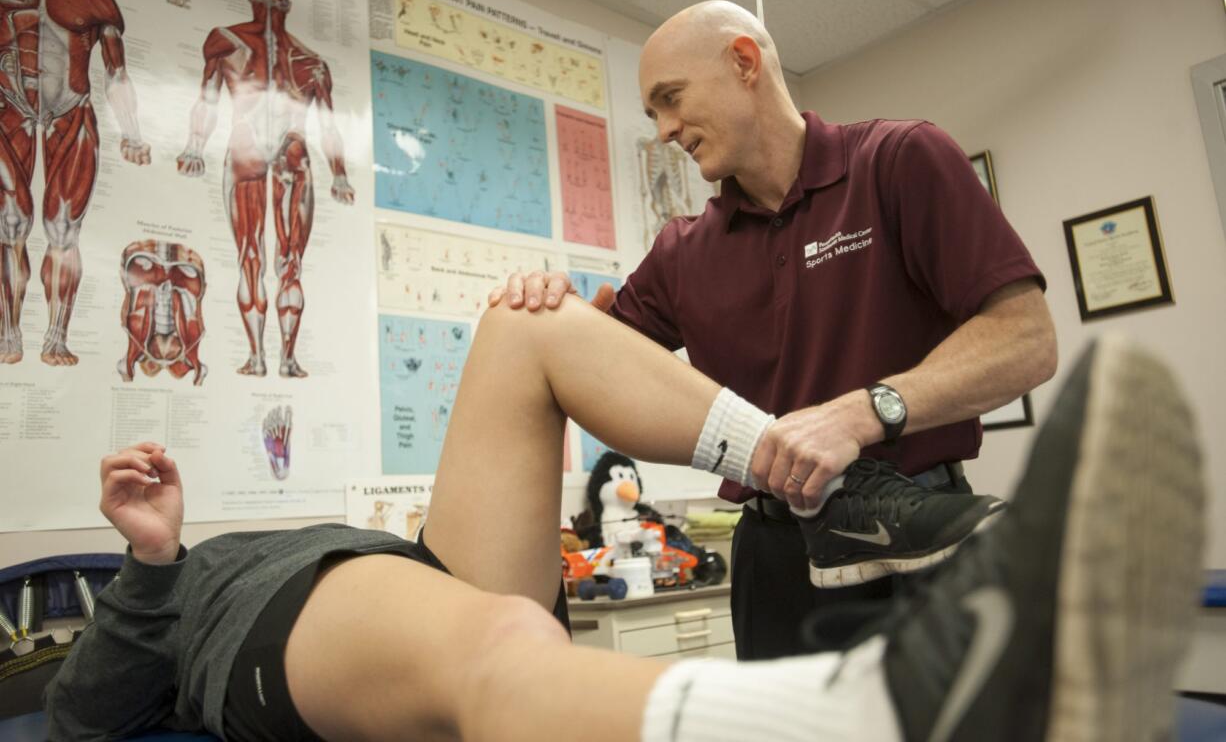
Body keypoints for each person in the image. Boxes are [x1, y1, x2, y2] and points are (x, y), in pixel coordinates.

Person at [43, 297, 1203, 742]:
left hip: (404, 574)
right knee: (510, 645)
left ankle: (835, 493)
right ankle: (873, 710)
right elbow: (79, 717)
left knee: (523, 328)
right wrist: (151, 561)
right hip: (261, 635)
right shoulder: (172, 593)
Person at [490, 0, 1058, 659]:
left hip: (914, 535)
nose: (666, 130)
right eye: (653, 115)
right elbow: (586, 373)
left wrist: (860, 415)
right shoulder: (682, 252)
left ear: (743, 61)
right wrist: (550, 314)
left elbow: (1026, 338)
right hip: (772, 556)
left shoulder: (897, 161)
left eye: (670, 100)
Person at [176, 0, 355, 379]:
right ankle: (268, 357)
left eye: (272, 3)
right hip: (270, 153)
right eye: (263, 0)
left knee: (270, 261)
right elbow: (208, 99)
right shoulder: (246, 46)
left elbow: (329, 125)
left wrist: (341, 174)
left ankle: (272, 358)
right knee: (264, 260)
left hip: (268, 152)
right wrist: (193, 147)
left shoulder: (299, 59)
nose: (268, 10)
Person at [0, 0, 152, 367]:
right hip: (8, 106)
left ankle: (55, 337)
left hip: (72, 112)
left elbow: (116, 72)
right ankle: (9, 330)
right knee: (10, 224)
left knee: (64, 230)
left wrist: (133, 132)